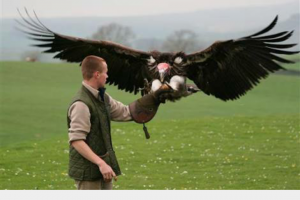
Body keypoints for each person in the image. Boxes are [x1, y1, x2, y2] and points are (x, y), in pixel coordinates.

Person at [67, 55, 169, 190]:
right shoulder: (81, 104)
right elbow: (76, 141)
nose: (108, 76)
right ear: (97, 74)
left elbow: (126, 112)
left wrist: (153, 97)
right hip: (88, 172)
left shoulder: (102, 97)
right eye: (106, 72)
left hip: (103, 168)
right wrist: (101, 163)